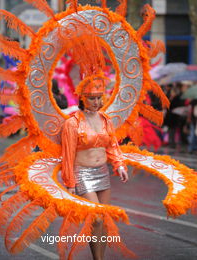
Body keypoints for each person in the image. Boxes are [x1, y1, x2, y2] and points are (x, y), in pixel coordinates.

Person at [61, 75, 128, 260]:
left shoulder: (105, 119)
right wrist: (70, 182)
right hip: (82, 173)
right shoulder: (72, 123)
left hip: (102, 173)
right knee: (96, 218)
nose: (97, 102)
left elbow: (112, 145)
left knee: (103, 220)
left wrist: (119, 165)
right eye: (92, 98)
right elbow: (67, 154)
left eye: (99, 97)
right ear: (82, 98)